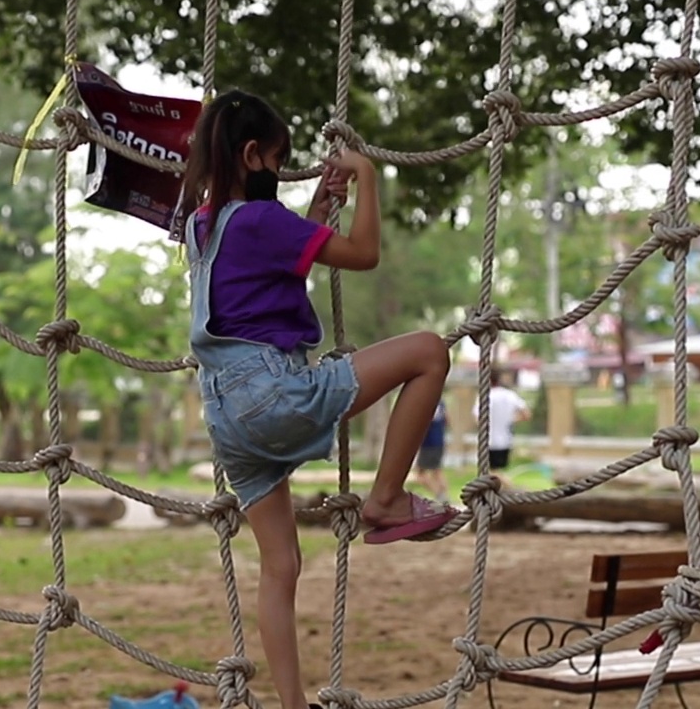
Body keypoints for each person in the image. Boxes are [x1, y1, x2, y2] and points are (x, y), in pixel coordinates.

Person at [179, 89, 458, 709]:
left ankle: (292, 705)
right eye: (278, 160)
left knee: (280, 569)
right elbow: (364, 255)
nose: (281, 170)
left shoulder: (203, 227)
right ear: (252, 155)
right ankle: (385, 499)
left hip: (226, 419)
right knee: (429, 352)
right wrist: (367, 177)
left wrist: (317, 208)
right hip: (272, 392)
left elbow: (268, 280)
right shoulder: (259, 220)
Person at [472, 373, 531, 470]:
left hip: (489, 440)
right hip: (506, 439)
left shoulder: (485, 396)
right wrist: (511, 420)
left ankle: (511, 484)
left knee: (492, 471)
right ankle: (506, 484)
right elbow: (526, 414)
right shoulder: (510, 395)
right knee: (496, 470)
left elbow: (476, 418)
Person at [415, 399, 451, 503]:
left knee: (421, 474)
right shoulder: (441, 402)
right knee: (437, 470)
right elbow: (447, 420)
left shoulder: (426, 402)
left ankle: (440, 495)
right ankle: (444, 495)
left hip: (428, 442)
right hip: (439, 440)